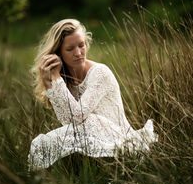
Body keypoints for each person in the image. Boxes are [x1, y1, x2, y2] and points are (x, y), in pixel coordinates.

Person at [28, 19, 158, 170]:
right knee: (42, 144)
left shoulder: (100, 73)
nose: (78, 53)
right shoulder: (64, 79)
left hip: (118, 137)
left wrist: (55, 79)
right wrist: (49, 82)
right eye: (70, 49)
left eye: (81, 45)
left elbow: (77, 116)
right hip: (91, 137)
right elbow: (67, 121)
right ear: (58, 54)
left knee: (89, 120)